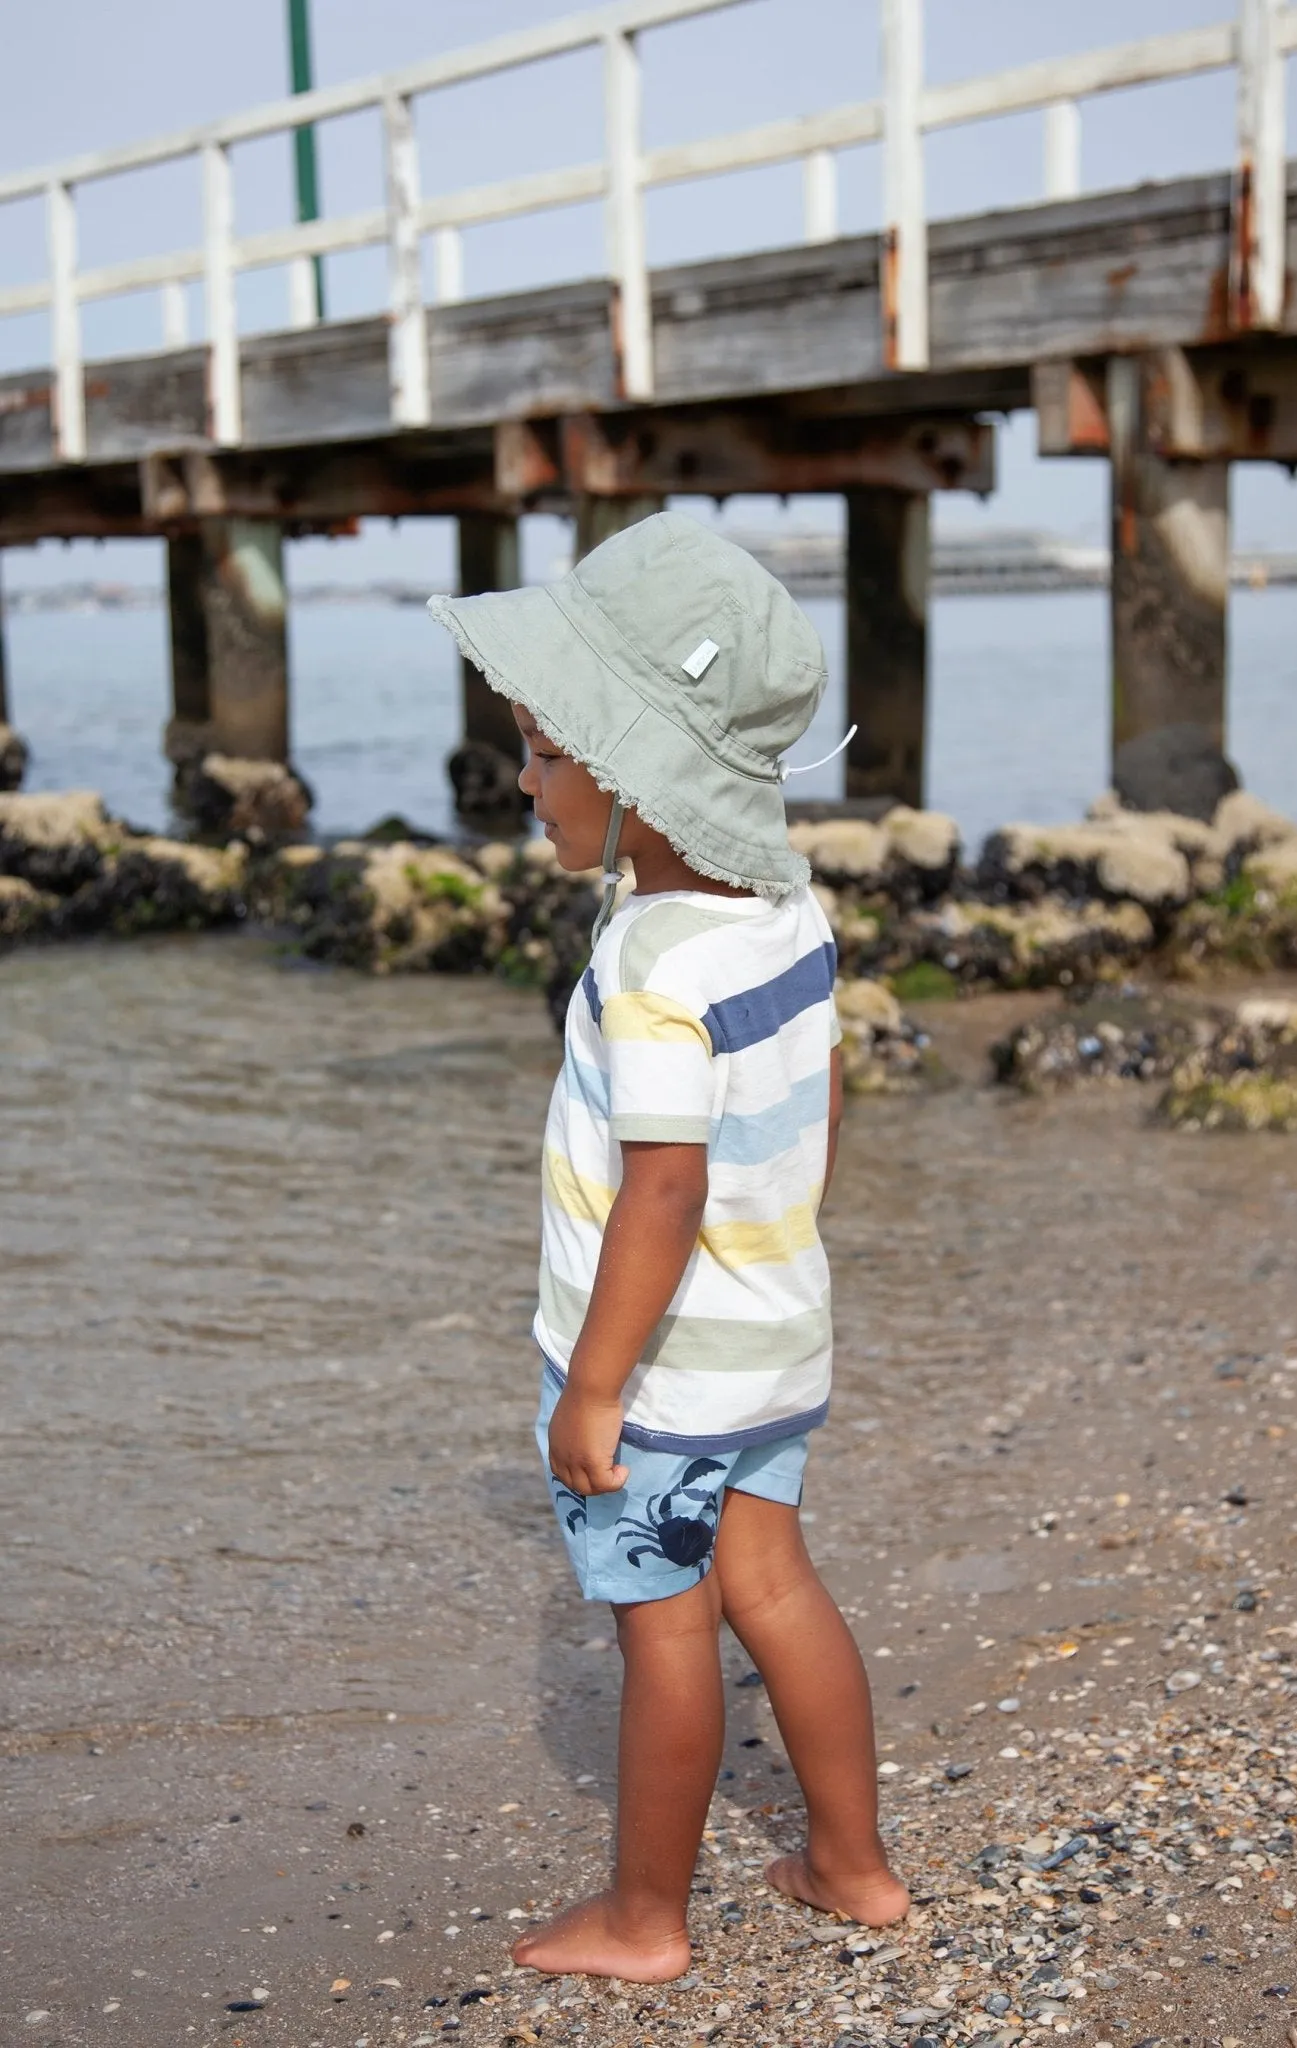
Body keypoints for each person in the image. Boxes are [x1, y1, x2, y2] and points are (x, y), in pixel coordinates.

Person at [428, 512, 909, 1983]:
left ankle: (646, 1919)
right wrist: (789, 1242)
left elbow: (662, 1192)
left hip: (668, 1377)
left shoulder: (649, 965)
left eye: (546, 753)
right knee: (775, 1584)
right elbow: (818, 1101)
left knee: (664, 1625)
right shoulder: (786, 908)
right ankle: (852, 1865)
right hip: (778, 1336)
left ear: (638, 776)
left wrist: (596, 1384)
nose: (522, 784)